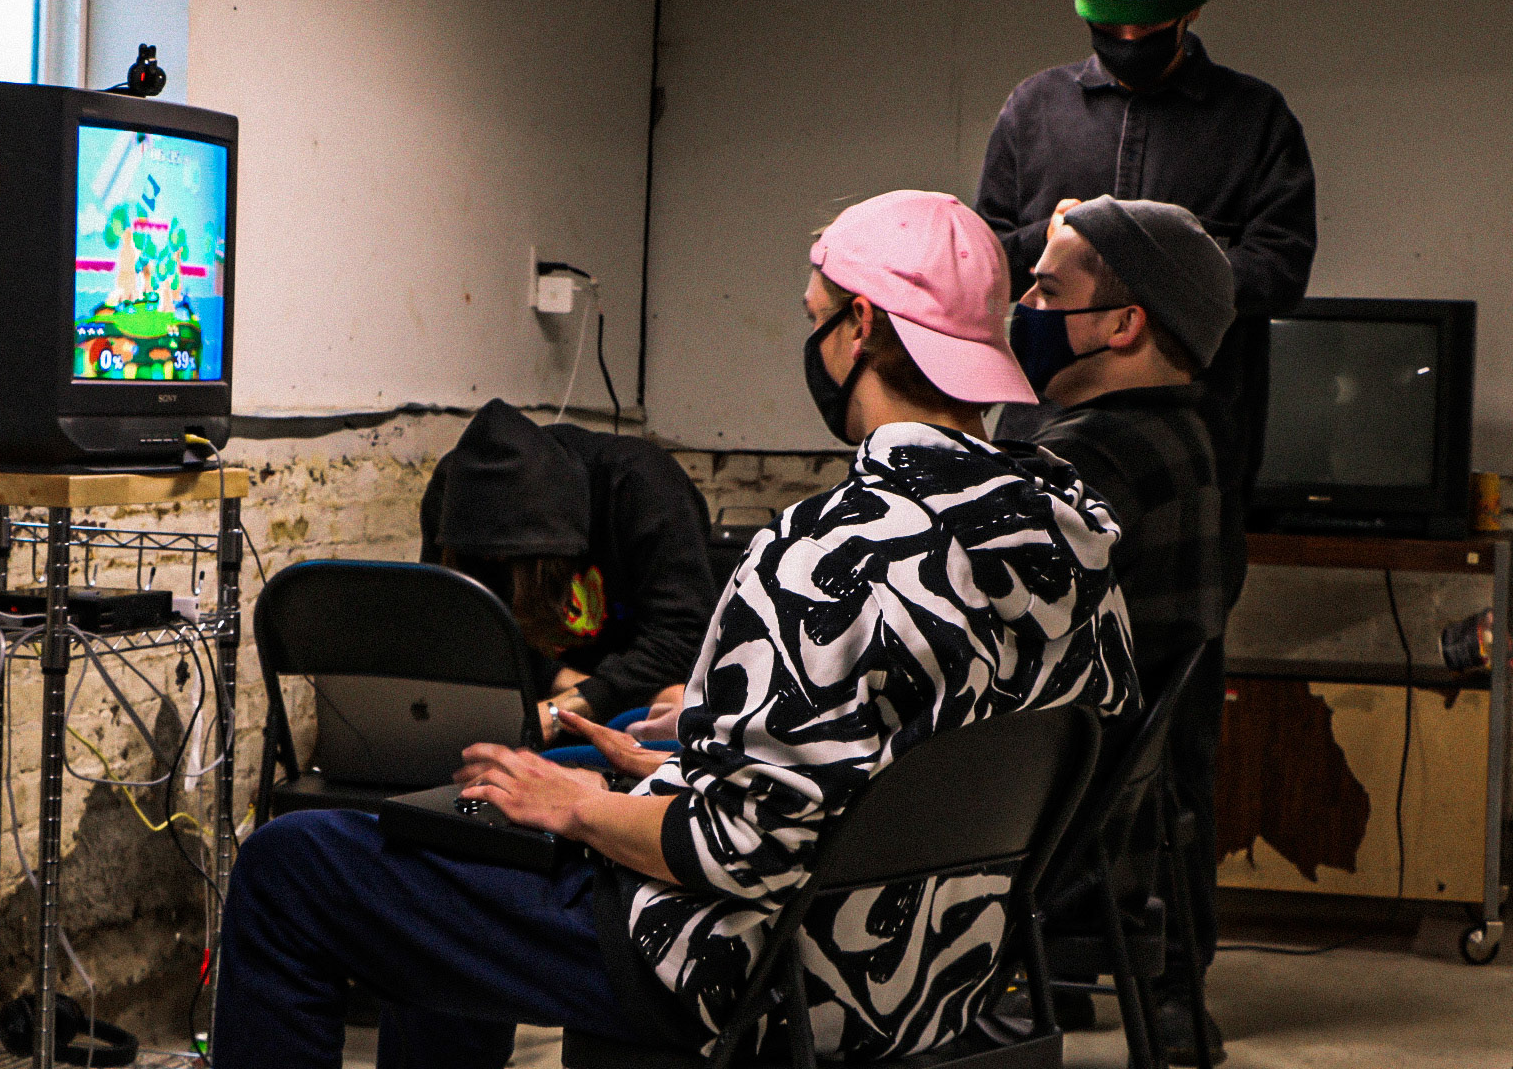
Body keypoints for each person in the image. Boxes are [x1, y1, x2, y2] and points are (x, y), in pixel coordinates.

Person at [213, 190, 1138, 1069]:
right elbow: (920, 770)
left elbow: (741, 849)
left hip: (755, 973)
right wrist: (668, 767)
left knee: (294, 865)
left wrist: (577, 805)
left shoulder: (822, 552)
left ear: (859, 326)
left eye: (814, 318)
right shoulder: (1075, 533)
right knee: (469, 833)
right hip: (948, 970)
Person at [976, 0, 1316, 614]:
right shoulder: (1034, 111)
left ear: (1190, 11)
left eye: (1149, 26)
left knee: (1176, 651)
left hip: (1191, 455)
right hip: (1044, 436)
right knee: (1029, 638)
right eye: (1111, 26)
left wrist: (1160, 258)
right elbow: (983, 268)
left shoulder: (1253, 119)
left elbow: (1282, 271)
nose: (1129, 38)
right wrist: (1048, 239)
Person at [1010, 196, 1235, 1060]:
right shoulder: (1184, 435)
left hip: (1037, 836)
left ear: (1124, 325)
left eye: (1046, 291)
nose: (1023, 308)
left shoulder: (1084, 461)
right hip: (1116, 832)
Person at [420, 399, 715, 740]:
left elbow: (685, 637)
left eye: (509, 557)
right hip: (560, 693)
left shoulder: (641, 485)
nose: (495, 564)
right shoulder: (456, 489)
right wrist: (565, 689)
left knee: (673, 701)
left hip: (643, 698)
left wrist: (563, 711)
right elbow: (455, 626)